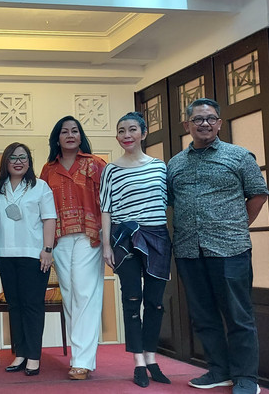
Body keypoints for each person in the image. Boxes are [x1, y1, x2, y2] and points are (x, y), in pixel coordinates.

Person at [167, 98, 268, 394]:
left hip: (230, 249)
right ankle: (219, 370)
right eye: (198, 119)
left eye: (211, 118)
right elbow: (171, 201)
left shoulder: (239, 156)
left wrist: (236, 225)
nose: (205, 124)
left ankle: (246, 377)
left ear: (219, 123)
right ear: (187, 125)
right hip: (188, 250)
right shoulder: (175, 163)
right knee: (203, 316)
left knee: (239, 316)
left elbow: (258, 195)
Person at [99, 112, 172, 388]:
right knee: (131, 298)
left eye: (132, 129)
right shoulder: (111, 170)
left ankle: (152, 358)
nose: (126, 135)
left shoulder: (159, 167)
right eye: (121, 131)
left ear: (143, 133)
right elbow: (106, 208)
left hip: (158, 236)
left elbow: (168, 201)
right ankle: (138, 362)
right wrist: (106, 245)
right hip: (124, 238)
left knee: (155, 301)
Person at [40, 115, 106, 380]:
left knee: (85, 294)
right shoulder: (48, 169)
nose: (70, 135)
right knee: (70, 296)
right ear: (57, 138)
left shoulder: (95, 164)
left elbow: (108, 203)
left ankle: (81, 360)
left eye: (74, 131)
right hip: (60, 238)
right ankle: (80, 356)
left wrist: (108, 238)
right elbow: (42, 208)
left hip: (89, 236)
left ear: (81, 137)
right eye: (64, 131)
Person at [0, 142, 56, 376]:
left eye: (23, 157)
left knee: (32, 305)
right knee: (15, 305)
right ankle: (20, 353)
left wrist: (47, 249)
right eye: (13, 157)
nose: (18, 162)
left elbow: (49, 219)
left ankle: (33, 356)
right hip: (5, 253)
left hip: (34, 254)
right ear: (5, 161)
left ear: (29, 162)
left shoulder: (40, 187)